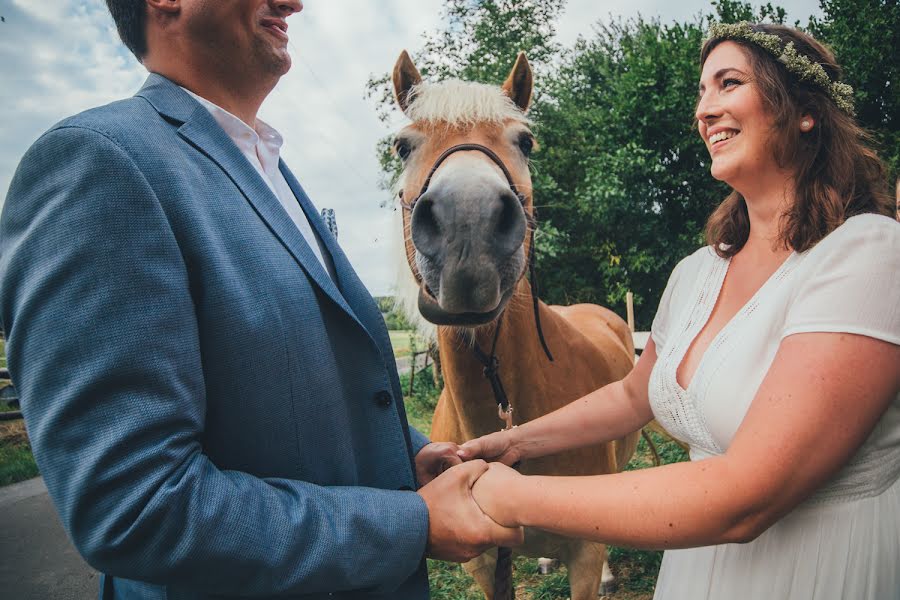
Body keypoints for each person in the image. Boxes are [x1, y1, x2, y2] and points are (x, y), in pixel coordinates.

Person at [0, 1, 522, 598]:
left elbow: (302, 385)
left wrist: (407, 456)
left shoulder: (268, 170)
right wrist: (412, 523)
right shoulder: (98, 163)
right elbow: (136, 506)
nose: (293, 3)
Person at [459, 22, 899, 600]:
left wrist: (502, 495)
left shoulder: (867, 253)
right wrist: (513, 443)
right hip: (697, 574)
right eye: (701, 92)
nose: (706, 109)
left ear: (804, 111)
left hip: (821, 570)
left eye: (729, 83)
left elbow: (746, 498)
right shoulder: (697, 271)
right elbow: (631, 395)